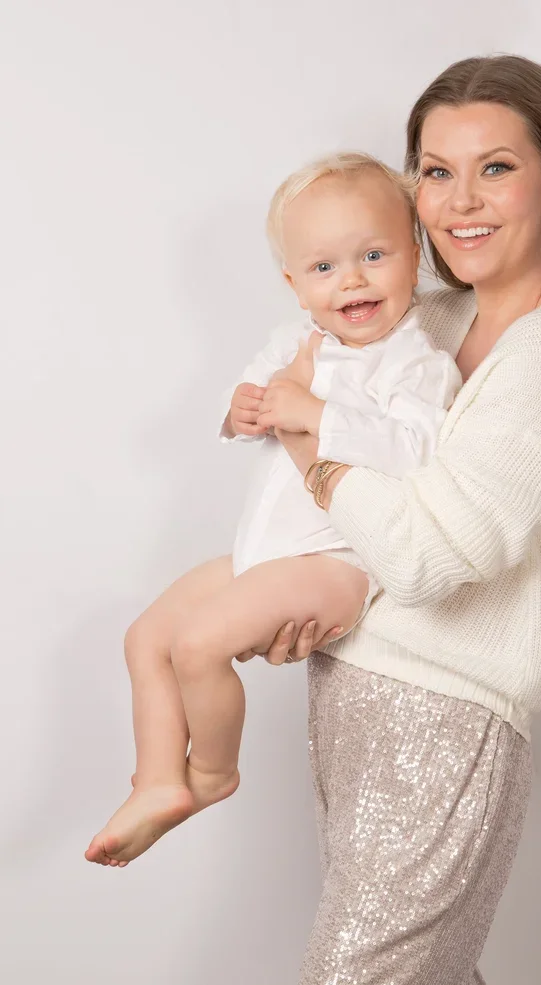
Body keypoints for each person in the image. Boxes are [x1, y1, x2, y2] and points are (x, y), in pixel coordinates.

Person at [247, 55, 541, 984]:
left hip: (442, 727)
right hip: (349, 700)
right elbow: (298, 416)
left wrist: (310, 442)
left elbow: (427, 553)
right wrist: (297, 588)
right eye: (437, 171)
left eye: (495, 167)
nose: (460, 200)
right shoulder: (425, 320)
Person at [84, 153, 462, 868]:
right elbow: (252, 396)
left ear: (416, 253)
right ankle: (160, 775)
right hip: (264, 549)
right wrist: (243, 409)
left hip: (335, 557)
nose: (351, 279)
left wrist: (315, 411)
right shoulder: (295, 342)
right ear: (294, 284)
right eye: (323, 268)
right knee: (146, 636)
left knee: (198, 644)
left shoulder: (415, 361)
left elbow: (418, 449)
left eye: (374, 255)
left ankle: (213, 772)